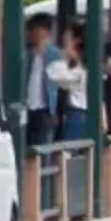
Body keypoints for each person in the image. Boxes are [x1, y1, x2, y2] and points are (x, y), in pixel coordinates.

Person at [21, 15, 60, 148]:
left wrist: (55, 111)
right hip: (26, 107)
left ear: (46, 32)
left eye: (36, 30)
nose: (32, 34)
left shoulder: (55, 55)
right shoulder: (26, 54)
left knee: (42, 147)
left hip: (45, 109)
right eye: (30, 30)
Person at [52, 26, 92, 143]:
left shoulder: (78, 69)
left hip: (77, 113)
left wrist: (64, 57)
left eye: (66, 40)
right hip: (83, 112)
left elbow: (59, 79)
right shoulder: (85, 65)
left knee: (70, 152)